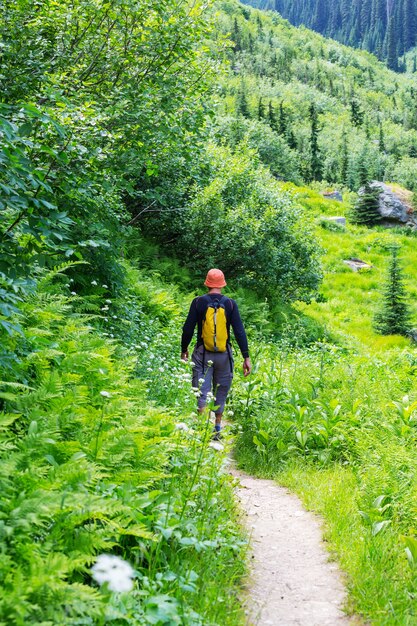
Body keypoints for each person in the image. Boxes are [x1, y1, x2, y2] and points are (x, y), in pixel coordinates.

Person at [181, 268, 251, 438]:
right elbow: (239, 331)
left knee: (202, 391)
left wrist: (184, 348)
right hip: (224, 355)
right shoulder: (230, 304)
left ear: (207, 283)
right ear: (222, 284)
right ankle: (217, 428)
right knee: (221, 389)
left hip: (202, 353)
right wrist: (246, 356)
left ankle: (202, 430)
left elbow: (188, 328)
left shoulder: (198, 302)